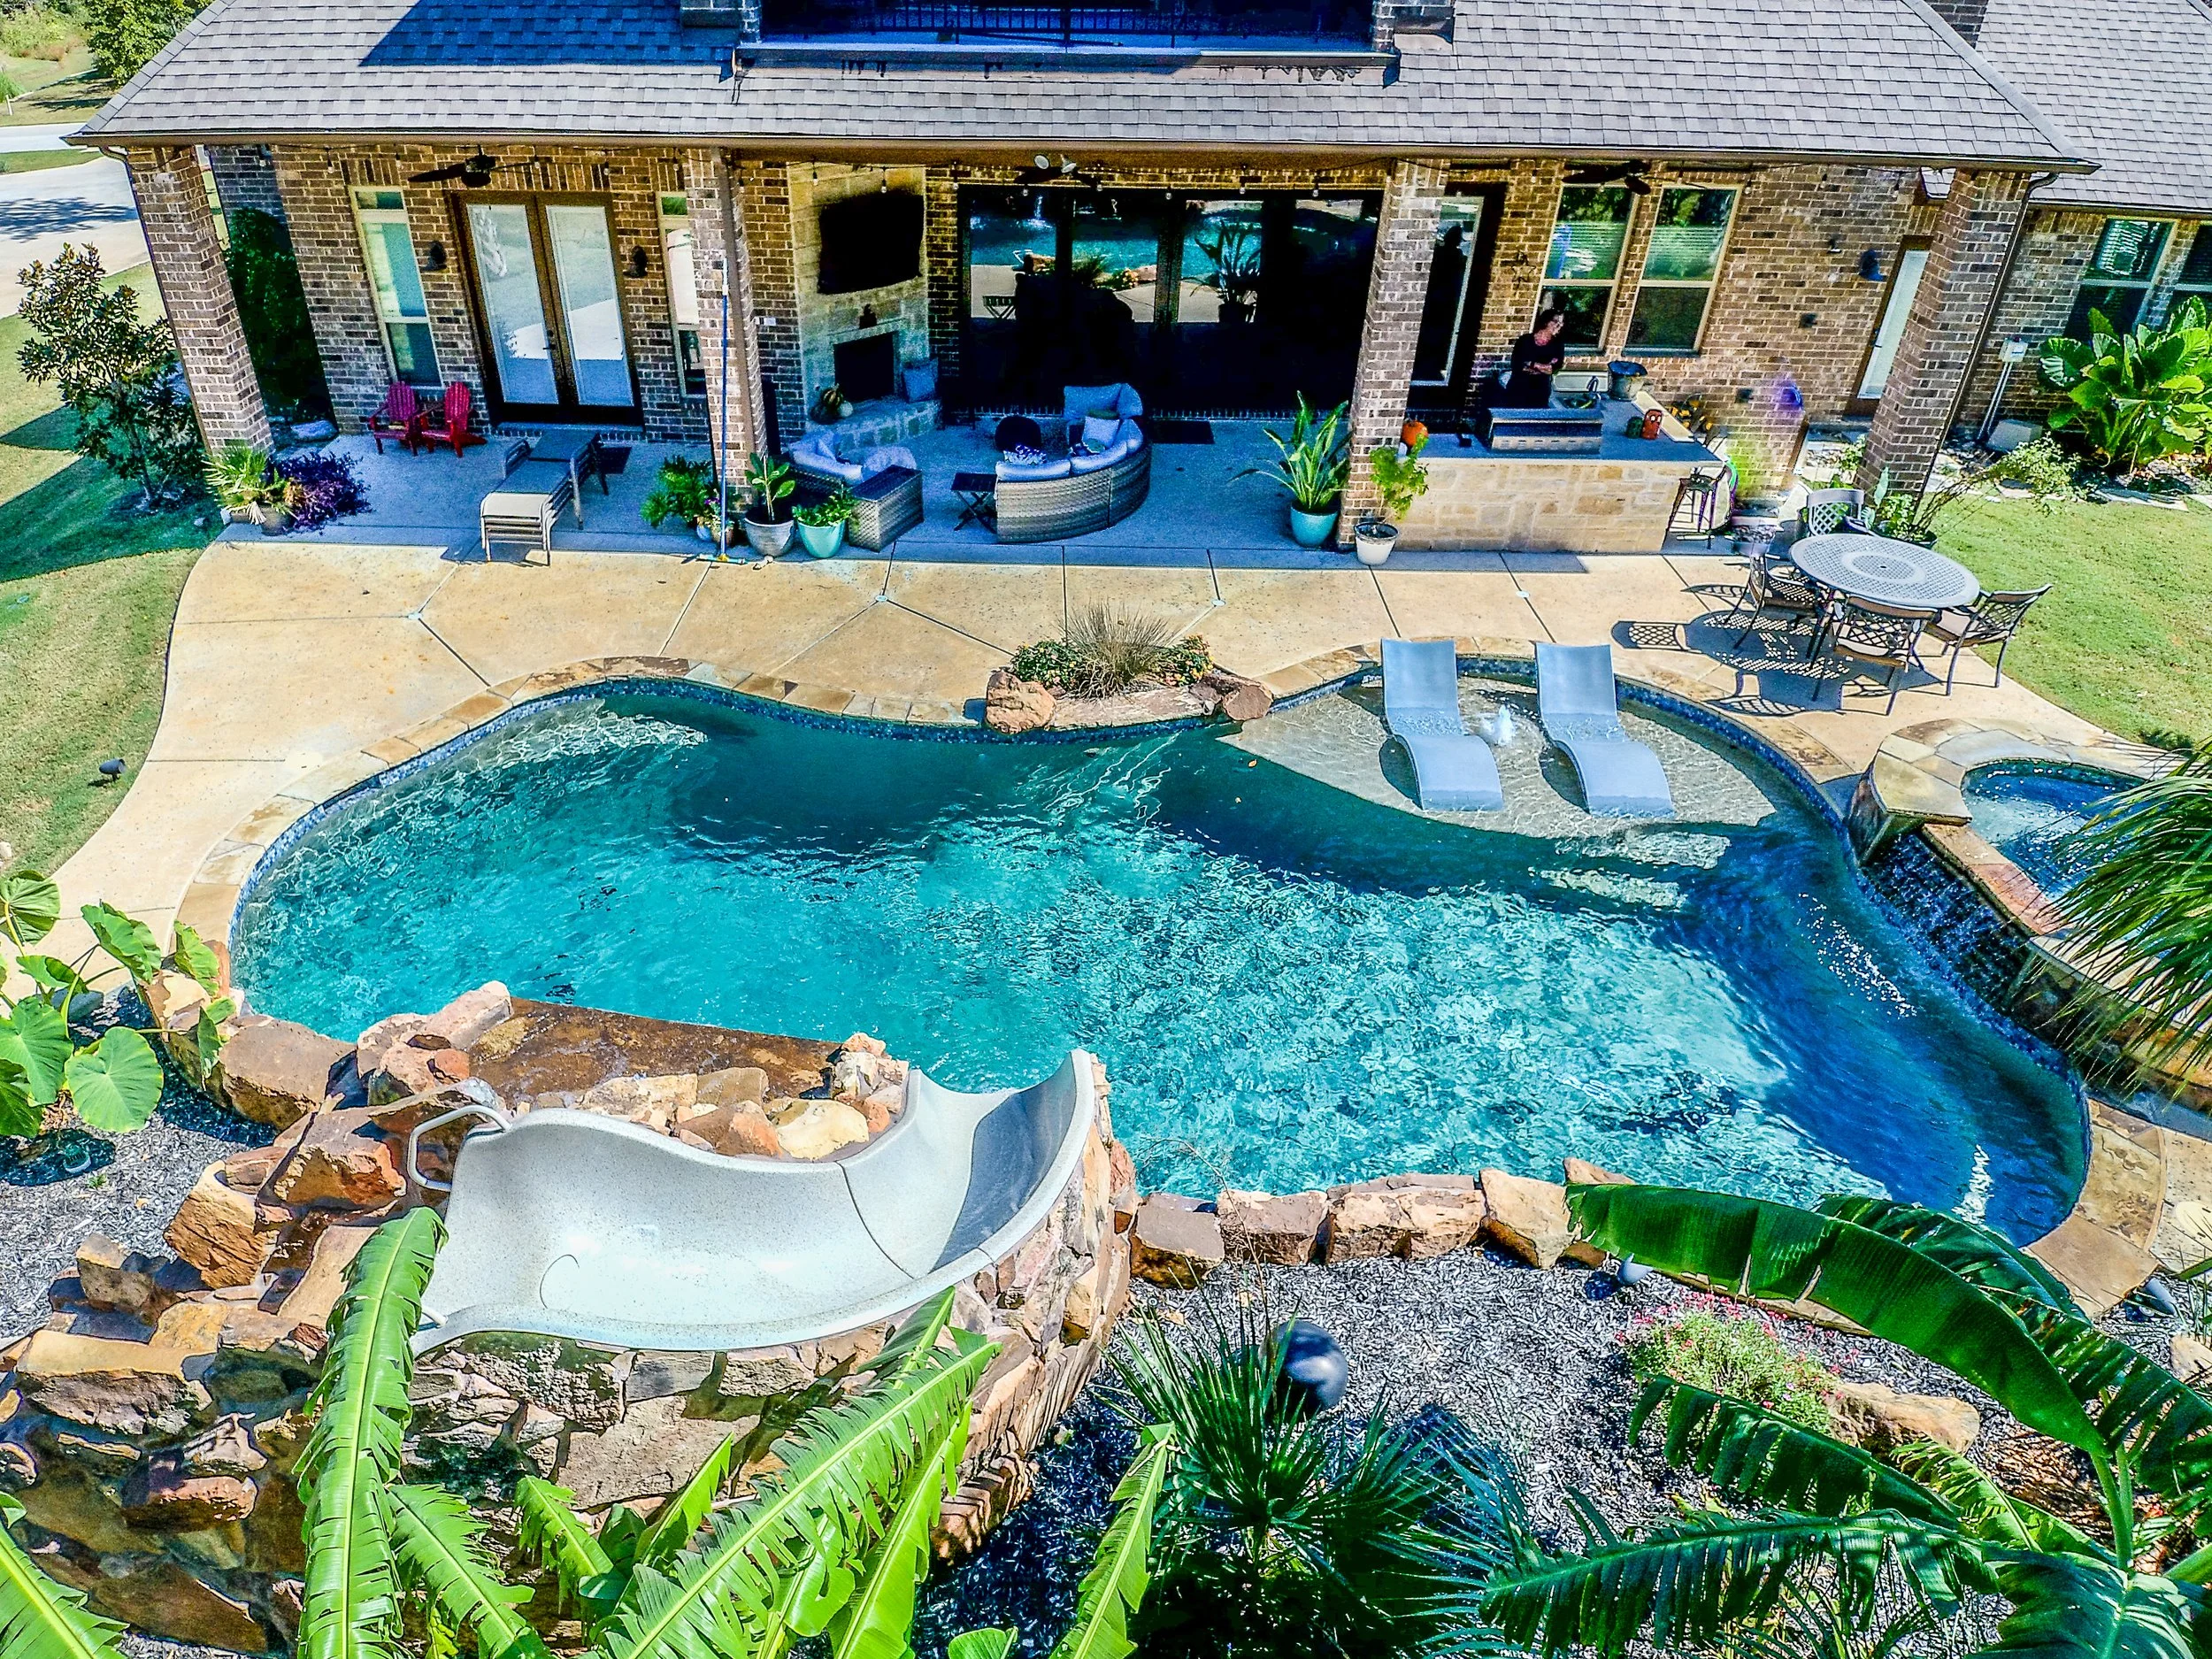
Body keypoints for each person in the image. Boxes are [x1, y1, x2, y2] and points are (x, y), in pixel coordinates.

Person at [1501, 307, 1569, 407]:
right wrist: (1541, 368)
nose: (1559, 325)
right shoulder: (1524, 340)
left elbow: (1553, 369)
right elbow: (1517, 366)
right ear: (1546, 321)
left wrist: (1530, 364)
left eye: (1561, 322)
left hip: (1540, 391)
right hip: (1518, 389)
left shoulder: (1557, 345)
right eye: (1555, 321)